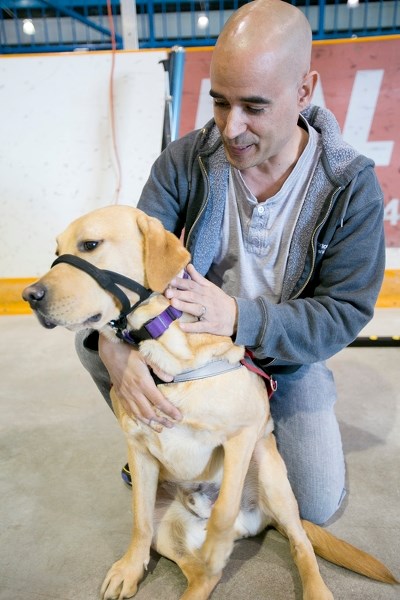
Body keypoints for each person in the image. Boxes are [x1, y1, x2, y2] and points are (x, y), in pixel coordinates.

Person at [76, 0, 385, 525]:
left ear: (304, 92)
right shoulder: (183, 161)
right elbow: (130, 261)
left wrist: (239, 317)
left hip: (285, 359)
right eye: (220, 102)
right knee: (89, 338)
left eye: (254, 107)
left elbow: (344, 314)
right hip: (191, 348)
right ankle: (166, 448)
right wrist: (114, 348)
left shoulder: (350, 186)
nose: (230, 126)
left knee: (313, 507)